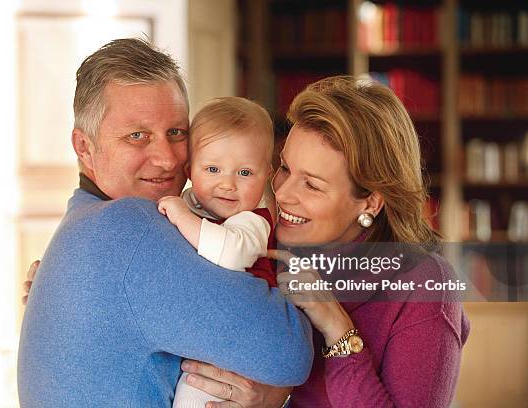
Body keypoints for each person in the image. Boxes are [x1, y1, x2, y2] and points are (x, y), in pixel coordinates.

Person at [17, 38, 313, 408]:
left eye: (176, 133)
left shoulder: (83, 224)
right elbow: (290, 350)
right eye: (137, 136)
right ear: (84, 147)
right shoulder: (128, 228)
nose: (168, 159)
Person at [178, 76, 470, 407]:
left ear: (370, 202)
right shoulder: (266, 245)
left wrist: (338, 330)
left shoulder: (424, 285)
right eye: (285, 168)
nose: (283, 193)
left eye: (312, 185)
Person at [157, 97, 277, 407]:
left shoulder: (253, 222)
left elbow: (231, 253)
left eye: (245, 173)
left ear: (267, 175)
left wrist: (182, 216)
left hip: (240, 350)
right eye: (213, 168)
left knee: (195, 397)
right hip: (204, 336)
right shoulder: (189, 203)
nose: (227, 184)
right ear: (190, 170)